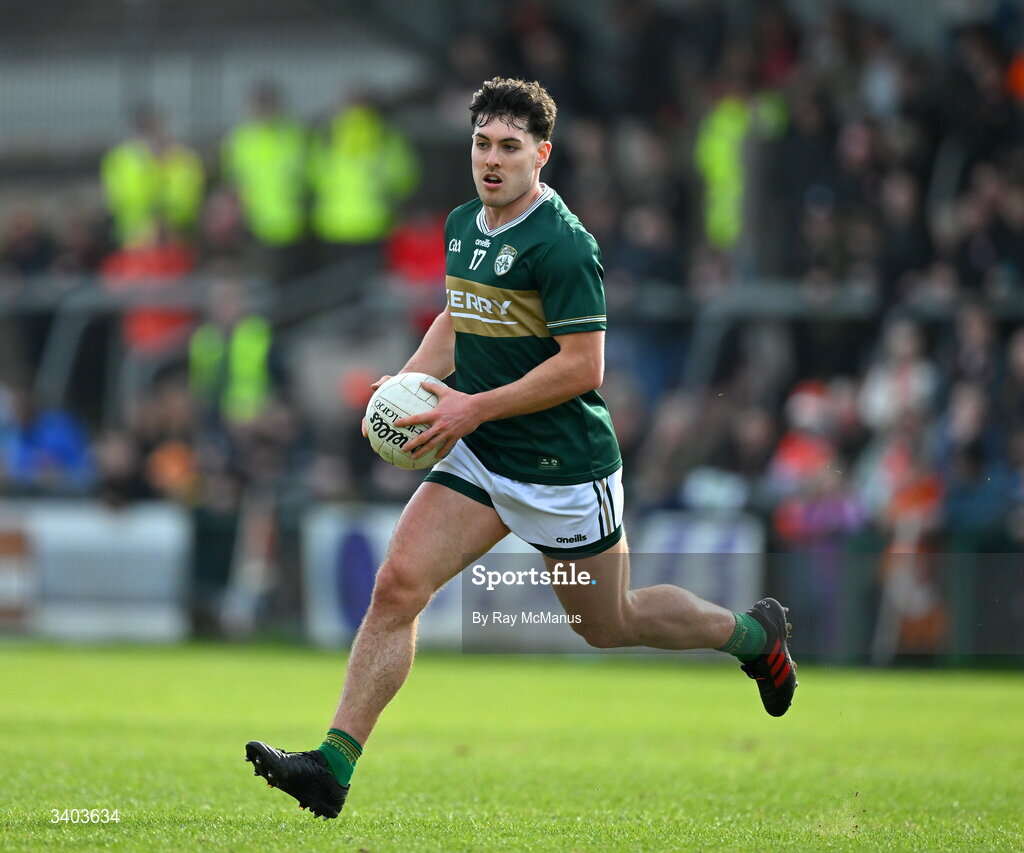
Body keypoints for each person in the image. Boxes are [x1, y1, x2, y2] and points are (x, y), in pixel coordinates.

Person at [244, 78, 797, 820]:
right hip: (482, 453)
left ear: (543, 153)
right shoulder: (465, 222)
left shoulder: (564, 244)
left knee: (610, 622)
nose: (492, 160)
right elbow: (459, 311)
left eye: (509, 146)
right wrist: (407, 381)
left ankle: (756, 636)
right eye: (482, 144)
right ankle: (332, 765)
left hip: (565, 472)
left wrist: (473, 405)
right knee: (396, 585)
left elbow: (583, 366)